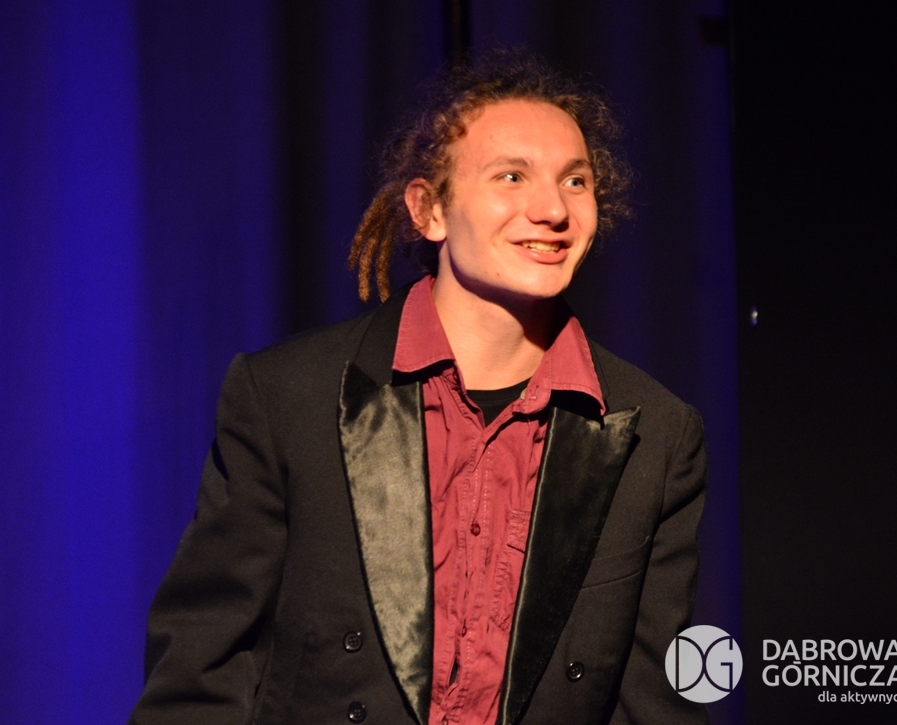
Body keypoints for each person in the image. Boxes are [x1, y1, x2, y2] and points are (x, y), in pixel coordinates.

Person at [129, 53, 708, 725]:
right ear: (430, 210)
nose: (552, 209)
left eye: (574, 181)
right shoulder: (289, 397)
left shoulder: (656, 433)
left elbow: (660, 705)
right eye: (512, 176)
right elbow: (198, 675)